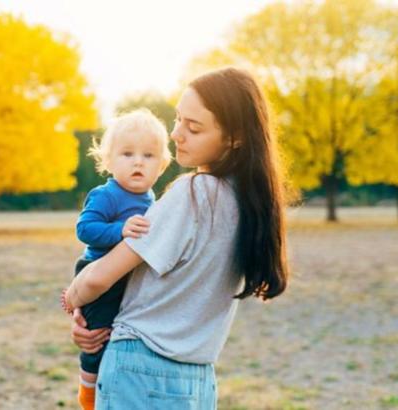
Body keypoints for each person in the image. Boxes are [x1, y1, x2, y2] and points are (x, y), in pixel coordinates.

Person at [62, 67, 290, 409]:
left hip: (140, 369)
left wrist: (76, 302)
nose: (176, 134)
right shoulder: (250, 203)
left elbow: (97, 278)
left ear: (235, 137)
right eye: (178, 119)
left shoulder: (193, 193)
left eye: (193, 127)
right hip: (199, 378)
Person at [62, 108, 172, 409]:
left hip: (128, 274)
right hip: (97, 268)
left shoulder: (153, 201)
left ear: (161, 166)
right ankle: (87, 388)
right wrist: (119, 230)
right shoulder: (106, 194)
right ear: (108, 161)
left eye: (149, 156)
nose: (138, 161)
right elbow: (85, 228)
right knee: (97, 334)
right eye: (127, 154)